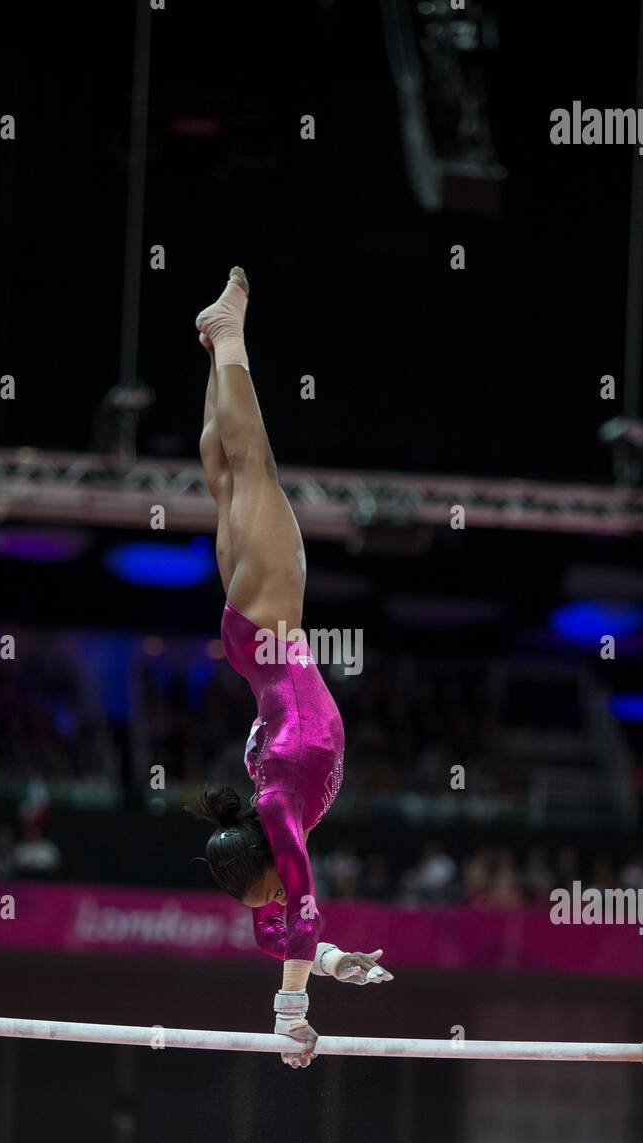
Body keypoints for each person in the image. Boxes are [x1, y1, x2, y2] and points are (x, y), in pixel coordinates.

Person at [191, 268, 393, 1069]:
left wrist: (292, 1011)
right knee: (230, 479)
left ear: (265, 863)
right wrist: (339, 965)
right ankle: (216, 345)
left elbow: (299, 908)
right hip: (252, 639)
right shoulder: (267, 839)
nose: (268, 908)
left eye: (261, 895)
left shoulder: (279, 811)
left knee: (254, 466)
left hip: (272, 625)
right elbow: (288, 923)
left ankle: (231, 335)